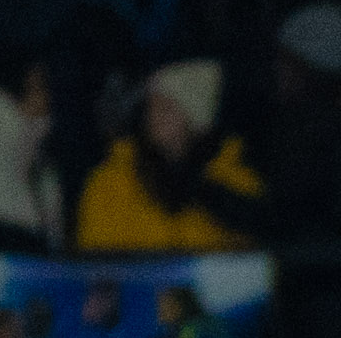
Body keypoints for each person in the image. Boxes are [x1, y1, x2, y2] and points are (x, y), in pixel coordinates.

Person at [73, 57, 265, 249]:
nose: (154, 116)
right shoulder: (110, 181)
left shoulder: (234, 181)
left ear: (196, 121)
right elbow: (97, 265)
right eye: (151, 105)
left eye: (167, 107)